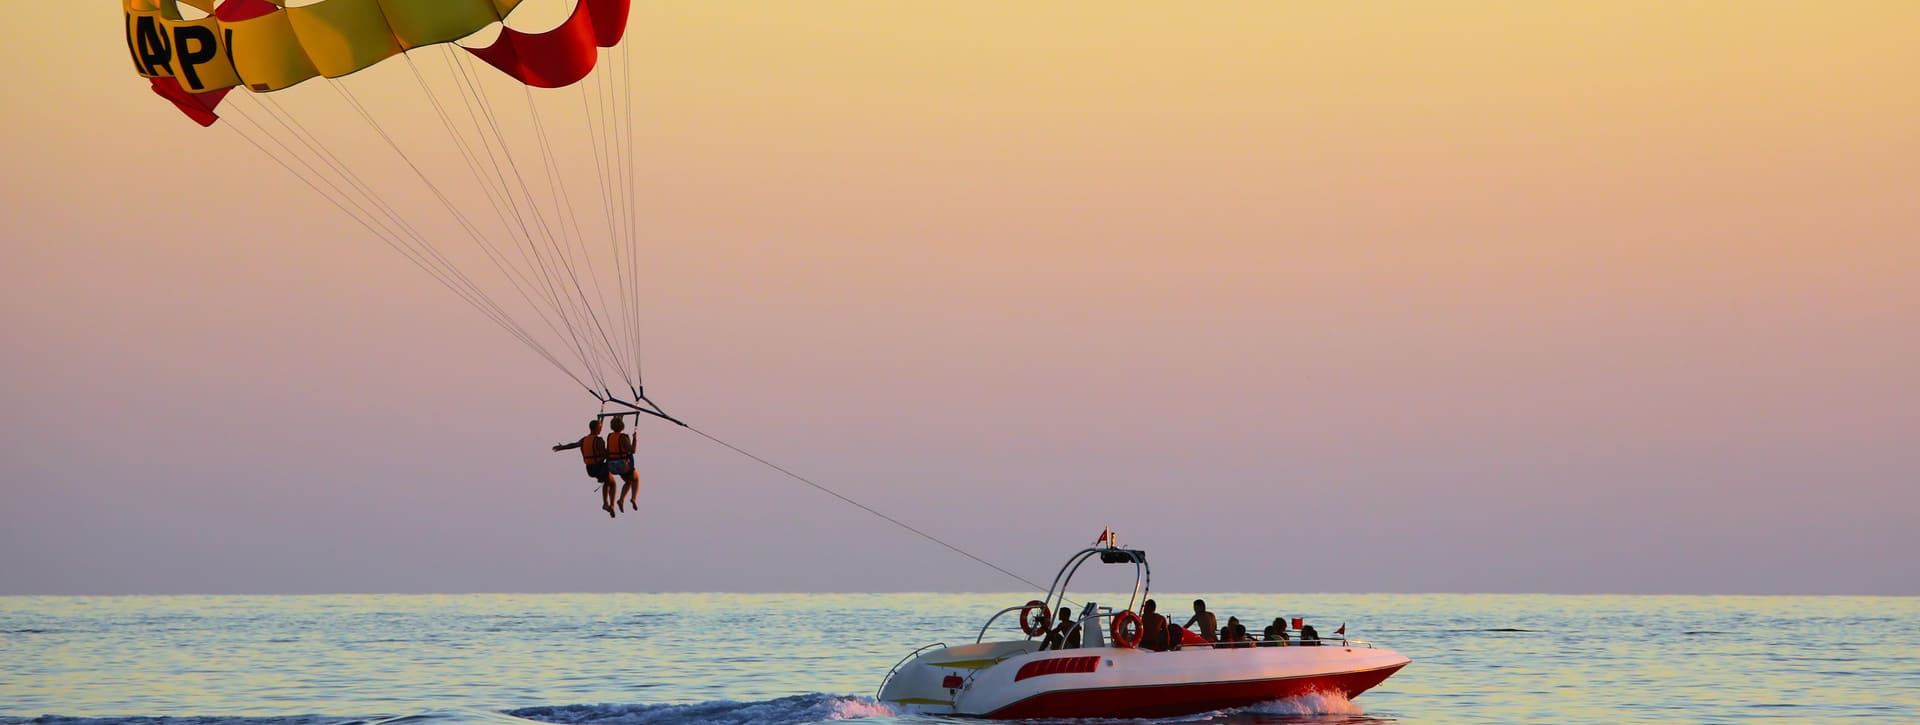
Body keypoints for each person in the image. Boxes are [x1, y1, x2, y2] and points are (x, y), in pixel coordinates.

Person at [553, 419, 615, 517]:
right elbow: (604, 454)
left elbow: (573, 445)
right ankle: (610, 504)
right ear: (597, 428)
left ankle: (605, 504)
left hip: (590, 470)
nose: (601, 429)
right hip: (598, 467)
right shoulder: (599, 440)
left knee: (607, 480)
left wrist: (562, 447)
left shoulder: (584, 439)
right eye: (600, 427)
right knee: (612, 483)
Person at [605, 416, 640, 512]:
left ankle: (621, 500)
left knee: (628, 481)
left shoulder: (609, 436)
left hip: (612, 466)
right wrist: (634, 439)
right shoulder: (623, 437)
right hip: (622, 465)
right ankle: (633, 498)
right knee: (636, 478)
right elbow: (632, 450)